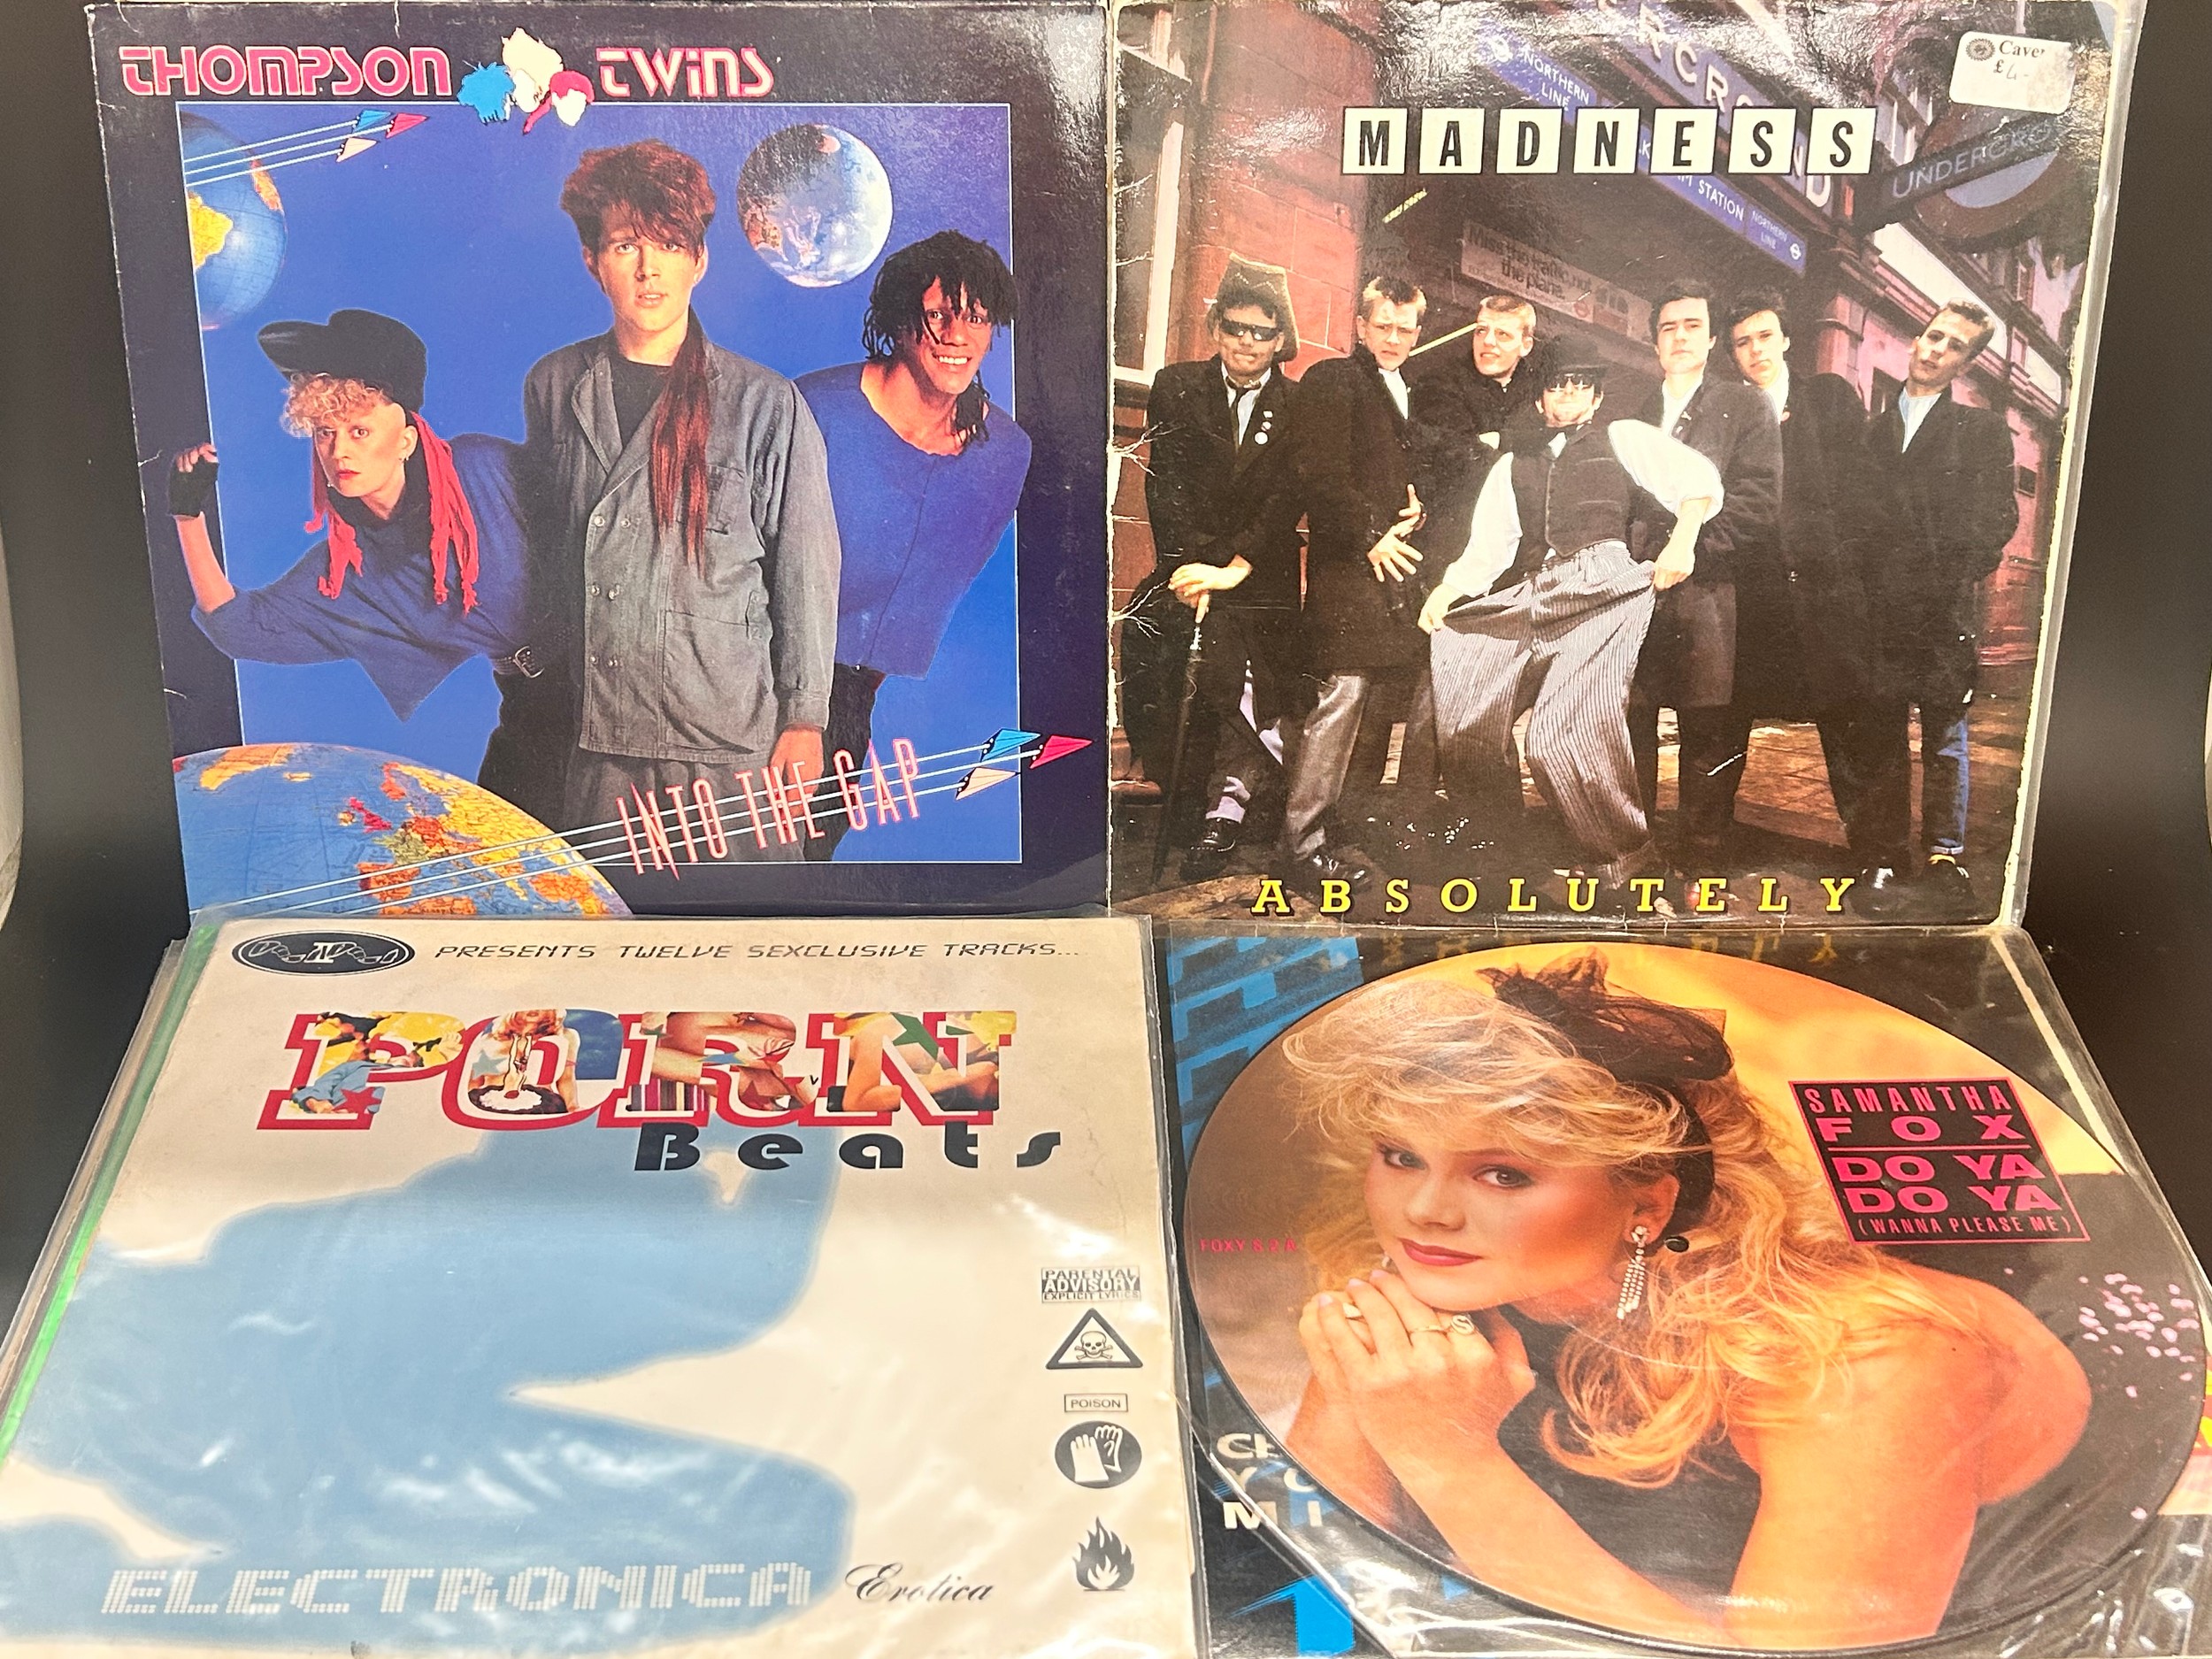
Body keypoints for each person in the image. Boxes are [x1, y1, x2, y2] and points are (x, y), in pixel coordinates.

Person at [1281, 956, 2090, 1650]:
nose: (1423, 1212)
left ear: (1648, 1203)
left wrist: (1448, 1458)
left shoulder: (1861, 1362)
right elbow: (1301, 1614)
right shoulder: (1430, 1287)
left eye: (1504, 1173)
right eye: (1401, 1156)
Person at [520, 139, 841, 856]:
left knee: (748, 926)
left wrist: (805, 720)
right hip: (600, 745)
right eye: (625, 244)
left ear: (699, 261)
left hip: (729, 749)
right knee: (610, 924)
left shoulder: (765, 404)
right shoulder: (554, 386)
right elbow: (546, 553)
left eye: (668, 244)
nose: (648, 268)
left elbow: (806, 572)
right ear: (592, 261)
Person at [165, 309, 551, 808]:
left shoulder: (484, 467)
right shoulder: (348, 572)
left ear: (406, 440)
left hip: (617, 672)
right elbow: (239, 629)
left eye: (360, 431)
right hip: (530, 710)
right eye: (325, 432)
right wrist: (187, 515)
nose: (339, 451)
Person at [1417, 356, 1718, 885]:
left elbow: (1697, 481)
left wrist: (1683, 542)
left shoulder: (1622, 436)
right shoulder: (1513, 464)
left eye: (1583, 386)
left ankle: (1625, 865)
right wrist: (1446, 591)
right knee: (1464, 705)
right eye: (1558, 386)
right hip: (1537, 590)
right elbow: (1488, 548)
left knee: (1559, 737)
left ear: (1597, 398)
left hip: (1603, 591)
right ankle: (1499, 844)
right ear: (1541, 399)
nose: (1570, 394)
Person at [795, 231, 1032, 860]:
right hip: (757, 679)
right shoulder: (811, 410)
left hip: (853, 701)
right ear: (901, 322)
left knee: (810, 862)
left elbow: (952, 573)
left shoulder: (1005, 453)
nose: (957, 335)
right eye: (938, 315)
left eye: (977, 317)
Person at [1123, 256, 1306, 881]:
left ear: (1280, 340)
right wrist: (1191, 567)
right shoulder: (1177, 386)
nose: (1246, 342)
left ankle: (1229, 809)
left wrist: (1230, 569)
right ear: (1215, 328)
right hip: (1187, 565)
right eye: (1234, 327)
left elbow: (1285, 500)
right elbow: (1165, 485)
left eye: (1261, 331)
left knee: (1244, 671)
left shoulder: (1297, 404)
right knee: (1147, 644)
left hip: (1260, 574)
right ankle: (1176, 789)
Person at [1721, 293, 1896, 883]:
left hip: (1825, 596)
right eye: (1743, 343)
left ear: (1787, 340)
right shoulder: (1728, 413)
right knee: (1727, 725)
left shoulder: (1827, 399)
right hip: (1757, 603)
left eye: (1765, 337)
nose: (1756, 351)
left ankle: (1879, 861)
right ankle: (1708, 850)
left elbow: (1866, 495)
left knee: (1852, 729)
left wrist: (1855, 582)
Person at [1859, 302, 2020, 909]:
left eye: (1953, 345)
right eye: (1932, 336)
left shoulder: (1980, 431)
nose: (1935, 350)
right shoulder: (1872, 432)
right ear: (1915, 339)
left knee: (1945, 736)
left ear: (1966, 364)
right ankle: (1883, 856)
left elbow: (1997, 518)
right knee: (1881, 736)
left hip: (1940, 611)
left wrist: (1947, 572)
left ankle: (1944, 856)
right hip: (1878, 614)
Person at [1280, 274, 1430, 895]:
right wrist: (1371, 535)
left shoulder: (1405, 390)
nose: (1393, 338)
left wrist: (1416, 508)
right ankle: (1301, 846)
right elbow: (1318, 474)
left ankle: (1338, 831)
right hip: (1348, 570)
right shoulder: (1335, 378)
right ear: (1361, 327)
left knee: (1368, 703)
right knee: (1341, 697)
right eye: (1382, 326)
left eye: (1405, 328)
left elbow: (1390, 471)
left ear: (1417, 333)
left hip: (1389, 573)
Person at [1625, 281, 1780, 872]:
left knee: (1707, 727)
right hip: (1636, 590)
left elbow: (1758, 501)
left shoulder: (1745, 406)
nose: (1681, 337)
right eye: (1669, 328)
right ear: (1655, 342)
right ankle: (1635, 853)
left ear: (1713, 339)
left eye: (1693, 325)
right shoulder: (1633, 409)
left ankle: (1701, 859)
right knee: (1631, 720)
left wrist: (1693, 551)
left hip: (1707, 589)